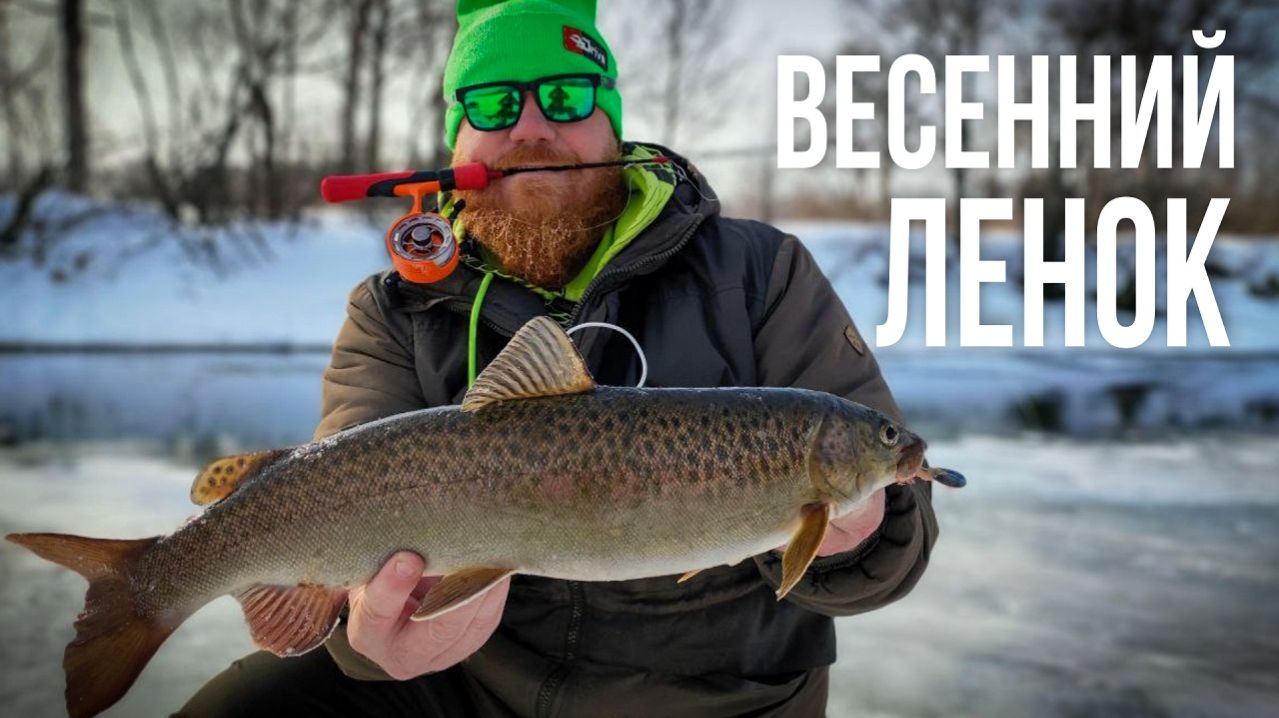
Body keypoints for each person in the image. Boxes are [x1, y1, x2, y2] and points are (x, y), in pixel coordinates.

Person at [179, 0, 938, 715]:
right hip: (464, 685)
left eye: (568, 97)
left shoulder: (760, 273)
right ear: (457, 143)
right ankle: (151, 587)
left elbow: (891, 563)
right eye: (494, 104)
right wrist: (377, 638)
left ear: (611, 124)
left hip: (721, 697)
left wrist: (860, 538)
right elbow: (340, 525)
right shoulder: (394, 309)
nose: (532, 129)